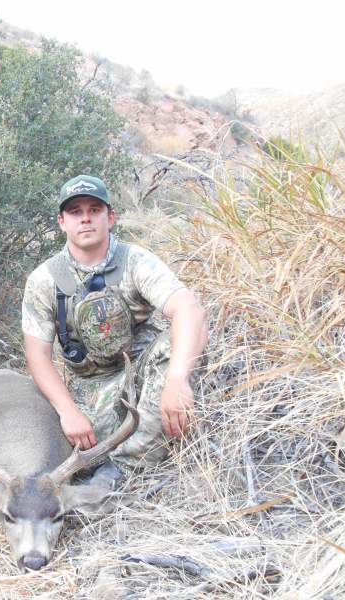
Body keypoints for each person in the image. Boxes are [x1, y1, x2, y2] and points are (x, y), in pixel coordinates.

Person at [21, 175, 207, 486]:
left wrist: (177, 381)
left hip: (141, 378)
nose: (85, 219)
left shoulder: (135, 262)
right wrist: (68, 411)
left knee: (178, 342)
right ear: (61, 222)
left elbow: (189, 309)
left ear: (110, 217)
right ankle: (99, 465)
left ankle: (124, 471)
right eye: (75, 212)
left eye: (94, 210)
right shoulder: (43, 280)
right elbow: (37, 355)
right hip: (88, 391)